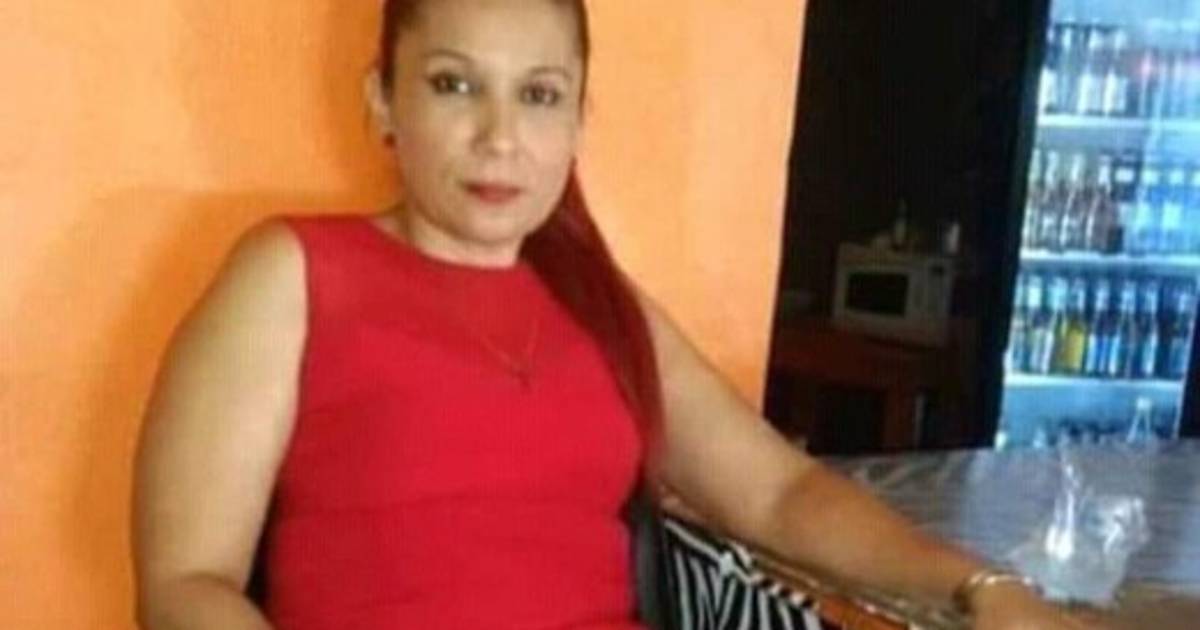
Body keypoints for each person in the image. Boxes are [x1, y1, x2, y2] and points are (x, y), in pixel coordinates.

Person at [131, 1, 1093, 629]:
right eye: (454, 84)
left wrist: (981, 586)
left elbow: (778, 494)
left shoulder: (597, 303)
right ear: (382, 101)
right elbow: (185, 584)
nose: (501, 136)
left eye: (539, 96)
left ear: (579, 120)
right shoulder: (294, 275)